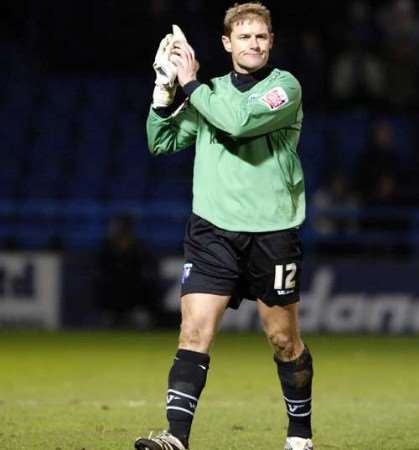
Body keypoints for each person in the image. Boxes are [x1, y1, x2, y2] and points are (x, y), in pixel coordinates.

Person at [136, 3, 313, 450]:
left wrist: (190, 84)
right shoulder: (208, 92)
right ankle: (176, 438)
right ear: (227, 43)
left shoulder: (283, 88)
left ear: (270, 42)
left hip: (272, 231)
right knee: (194, 331)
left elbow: (236, 122)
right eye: (245, 37)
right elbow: (162, 141)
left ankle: (299, 434)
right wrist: (163, 89)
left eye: (261, 37)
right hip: (212, 230)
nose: (253, 44)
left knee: (282, 339)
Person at [95, 214, 165, 328]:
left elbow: (148, 269)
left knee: (140, 320)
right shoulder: (107, 247)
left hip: (134, 293)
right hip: (113, 294)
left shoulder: (139, 247)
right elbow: (101, 271)